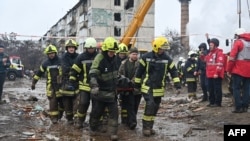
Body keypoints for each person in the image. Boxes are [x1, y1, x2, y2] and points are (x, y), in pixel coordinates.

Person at [134, 36, 181, 137]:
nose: (162, 50)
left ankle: (150, 127)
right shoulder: (146, 57)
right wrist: (137, 85)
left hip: (159, 88)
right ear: (156, 47)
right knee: (150, 105)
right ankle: (146, 127)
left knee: (155, 107)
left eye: (164, 49)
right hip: (148, 86)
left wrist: (177, 85)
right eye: (161, 48)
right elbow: (139, 72)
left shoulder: (167, 58)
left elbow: (174, 71)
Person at [88, 37, 119, 141]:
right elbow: (93, 73)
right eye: (110, 51)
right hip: (100, 92)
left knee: (114, 114)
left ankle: (113, 133)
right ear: (105, 50)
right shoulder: (99, 58)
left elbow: (116, 74)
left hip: (112, 93)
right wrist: (94, 85)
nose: (112, 53)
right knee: (97, 112)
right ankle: (92, 128)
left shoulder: (115, 59)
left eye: (114, 51)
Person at [68, 37, 98, 128]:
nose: (90, 50)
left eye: (92, 48)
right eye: (89, 48)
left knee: (97, 106)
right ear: (86, 48)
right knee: (83, 103)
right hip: (84, 85)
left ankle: (95, 123)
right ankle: (80, 121)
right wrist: (72, 80)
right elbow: (74, 70)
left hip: (96, 86)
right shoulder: (81, 57)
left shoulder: (99, 56)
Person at [31, 44, 63, 124]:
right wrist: (34, 83)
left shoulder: (61, 61)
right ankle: (54, 118)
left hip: (61, 85)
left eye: (52, 53)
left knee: (62, 103)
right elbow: (39, 73)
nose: (51, 55)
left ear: (55, 53)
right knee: (53, 102)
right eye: (49, 53)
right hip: (51, 86)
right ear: (47, 54)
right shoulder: (45, 63)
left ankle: (60, 115)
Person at [117, 47, 141, 130]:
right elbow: (119, 74)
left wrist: (131, 82)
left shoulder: (140, 64)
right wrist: (124, 81)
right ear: (129, 54)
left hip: (136, 89)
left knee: (135, 106)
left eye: (136, 54)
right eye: (133, 54)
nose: (135, 56)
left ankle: (130, 121)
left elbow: (139, 75)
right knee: (129, 105)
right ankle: (131, 122)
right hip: (126, 89)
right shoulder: (123, 63)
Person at [227, 28, 250, 113]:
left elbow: (232, 58)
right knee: (247, 89)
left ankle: (238, 107)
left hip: (238, 69)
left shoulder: (238, 42)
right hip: (249, 70)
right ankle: (245, 107)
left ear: (237, 35)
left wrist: (228, 70)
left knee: (236, 88)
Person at [59, 39, 79, 124]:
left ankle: (76, 118)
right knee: (67, 104)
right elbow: (65, 69)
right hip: (66, 82)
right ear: (67, 48)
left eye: (72, 47)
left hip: (76, 83)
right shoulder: (64, 57)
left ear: (75, 48)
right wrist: (74, 70)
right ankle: (69, 118)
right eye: (69, 47)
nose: (71, 49)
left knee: (77, 102)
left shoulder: (78, 56)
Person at [204, 37, 224, 107]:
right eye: (209, 45)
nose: (210, 46)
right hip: (210, 74)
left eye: (211, 45)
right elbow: (205, 60)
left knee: (217, 89)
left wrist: (217, 73)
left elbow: (220, 64)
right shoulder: (210, 53)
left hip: (216, 75)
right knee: (210, 89)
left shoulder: (219, 53)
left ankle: (218, 102)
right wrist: (202, 56)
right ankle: (212, 101)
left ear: (215, 45)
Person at [115, 43, 129, 125]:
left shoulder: (127, 61)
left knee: (124, 102)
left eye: (124, 53)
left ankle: (124, 119)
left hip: (124, 84)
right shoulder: (114, 60)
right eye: (121, 53)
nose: (122, 55)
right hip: (115, 83)